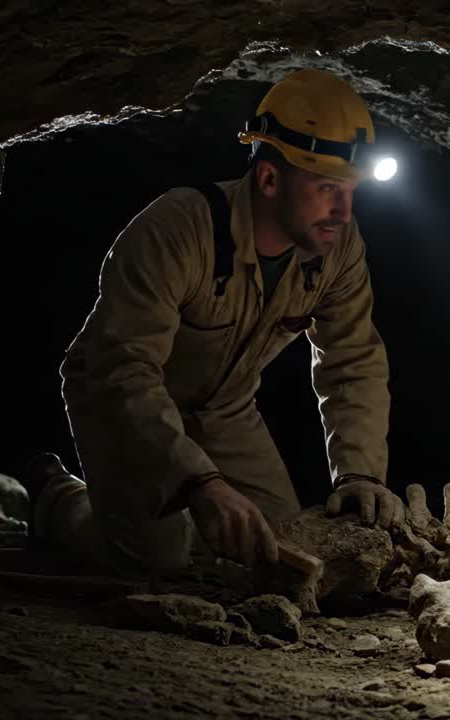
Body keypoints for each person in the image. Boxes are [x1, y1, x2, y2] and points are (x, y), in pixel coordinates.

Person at [22, 68, 403, 575]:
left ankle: (157, 515)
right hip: (119, 396)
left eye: (351, 190)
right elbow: (124, 369)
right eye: (328, 188)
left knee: (278, 545)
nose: (344, 210)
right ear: (269, 179)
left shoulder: (338, 250)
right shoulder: (178, 231)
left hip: (223, 409)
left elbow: (351, 359)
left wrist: (360, 475)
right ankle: (59, 498)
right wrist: (200, 483)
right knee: (158, 560)